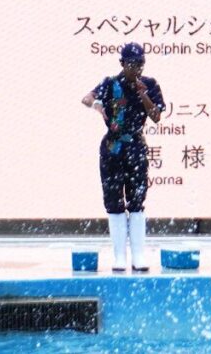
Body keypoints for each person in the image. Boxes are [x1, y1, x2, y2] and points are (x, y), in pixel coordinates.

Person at [81, 42, 165, 272]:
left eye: (140, 64)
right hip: (112, 148)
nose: (136, 68)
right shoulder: (110, 83)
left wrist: (143, 94)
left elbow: (156, 116)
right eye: (131, 64)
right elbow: (87, 98)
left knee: (137, 200)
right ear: (122, 63)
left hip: (136, 146)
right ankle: (119, 256)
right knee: (114, 200)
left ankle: (138, 255)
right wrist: (98, 106)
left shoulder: (149, 84)